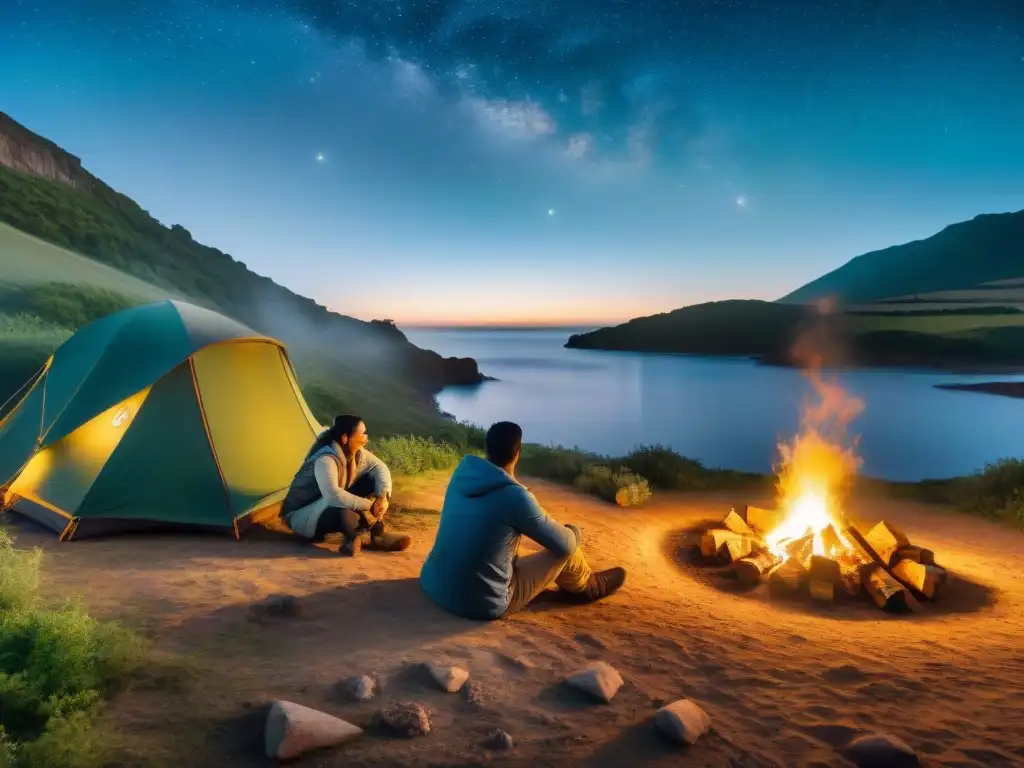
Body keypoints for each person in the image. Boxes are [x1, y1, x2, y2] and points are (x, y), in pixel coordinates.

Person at [420, 420, 626, 620]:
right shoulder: (515, 497)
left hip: (433, 583)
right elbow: (565, 546)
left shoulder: (461, 476)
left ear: (486, 448)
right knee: (567, 546)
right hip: (482, 604)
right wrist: (574, 530)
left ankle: (575, 583)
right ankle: (588, 587)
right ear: (518, 452)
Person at [280, 414, 411, 556]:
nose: (366, 438)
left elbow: (380, 468)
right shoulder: (326, 459)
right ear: (345, 438)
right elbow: (333, 496)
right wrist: (369, 505)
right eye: (362, 434)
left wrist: (381, 497)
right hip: (302, 513)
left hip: (326, 502)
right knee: (345, 514)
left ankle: (376, 534)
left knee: (372, 480)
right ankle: (355, 536)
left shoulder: (355, 453)